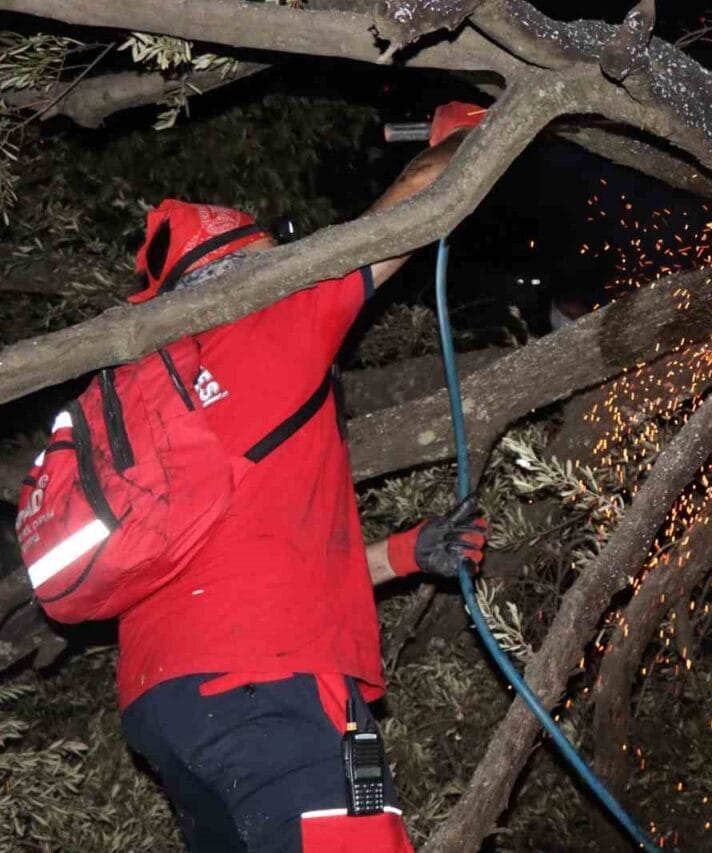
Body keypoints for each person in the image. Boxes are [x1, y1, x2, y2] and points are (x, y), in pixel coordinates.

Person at [117, 102, 487, 852]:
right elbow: (416, 200)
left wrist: (408, 553)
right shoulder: (268, 324)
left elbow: (241, 565)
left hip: (164, 711)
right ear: (251, 265)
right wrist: (473, 133)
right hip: (268, 691)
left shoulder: (144, 392)